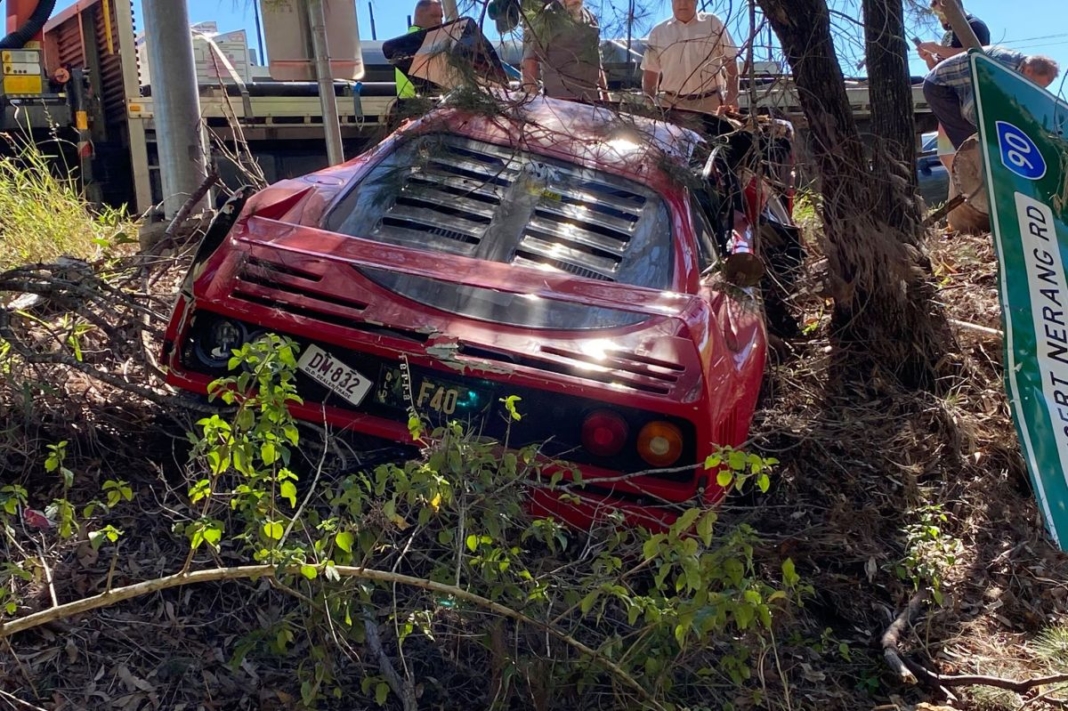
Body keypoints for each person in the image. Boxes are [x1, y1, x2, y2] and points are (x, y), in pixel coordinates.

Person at [923, 47, 1059, 150]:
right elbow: (971, 110)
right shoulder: (1002, 70)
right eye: (1033, 85)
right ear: (1029, 70)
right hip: (939, 86)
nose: (1031, 91)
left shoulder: (1020, 67)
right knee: (970, 141)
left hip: (959, 86)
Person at [640, 0, 739, 115]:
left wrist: (732, 95)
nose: (683, 4)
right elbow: (650, 74)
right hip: (672, 105)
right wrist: (649, 105)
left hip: (710, 103)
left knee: (715, 133)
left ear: (696, 1)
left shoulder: (713, 23)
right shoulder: (658, 33)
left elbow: (730, 60)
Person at [521, 0, 608, 102]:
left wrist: (605, 95)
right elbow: (530, 61)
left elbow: (596, 60)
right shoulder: (547, 19)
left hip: (593, 101)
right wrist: (534, 102)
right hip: (560, 103)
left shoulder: (591, 19)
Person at [915, 0, 990, 70]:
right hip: (950, 81)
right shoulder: (948, 35)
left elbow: (974, 54)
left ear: (956, 7)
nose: (940, 17)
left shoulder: (974, 25)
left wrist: (937, 48)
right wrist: (929, 58)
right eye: (937, 13)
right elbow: (937, 68)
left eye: (941, 12)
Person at [395, 0, 445, 99]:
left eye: (441, 17)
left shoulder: (407, 40)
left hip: (412, 103)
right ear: (419, 14)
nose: (439, 21)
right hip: (418, 104)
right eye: (433, 16)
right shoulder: (418, 41)